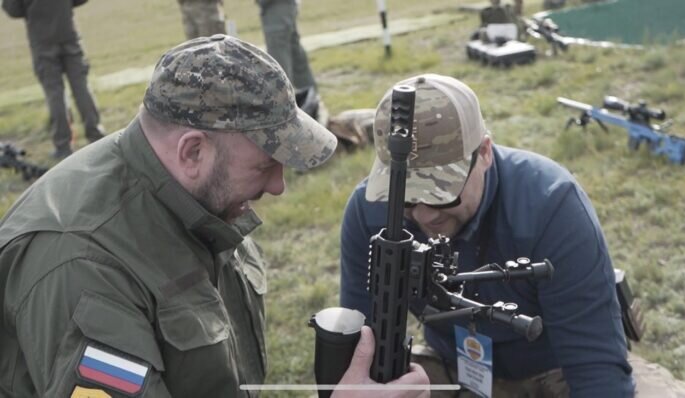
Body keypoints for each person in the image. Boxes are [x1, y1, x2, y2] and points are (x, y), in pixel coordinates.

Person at [0, 35, 428, 398]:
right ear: (192, 152)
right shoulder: (80, 266)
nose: (278, 186)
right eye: (264, 165)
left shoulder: (193, 195)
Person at [340, 73, 685, 398]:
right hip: (451, 367)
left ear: (484, 152)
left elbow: (594, 366)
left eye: (441, 193)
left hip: (555, 371)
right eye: (406, 200)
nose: (424, 214)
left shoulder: (549, 203)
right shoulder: (369, 211)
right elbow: (359, 351)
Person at [2, 0, 105, 159]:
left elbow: (12, 9)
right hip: (68, 33)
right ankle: (96, 134)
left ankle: (63, 145)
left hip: (41, 40)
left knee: (54, 93)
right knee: (81, 87)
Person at [256, 0, 325, 123]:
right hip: (279, 5)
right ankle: (311, 104)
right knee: (293, 53)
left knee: (278, 58)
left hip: (276, 5)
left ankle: (286, 113)